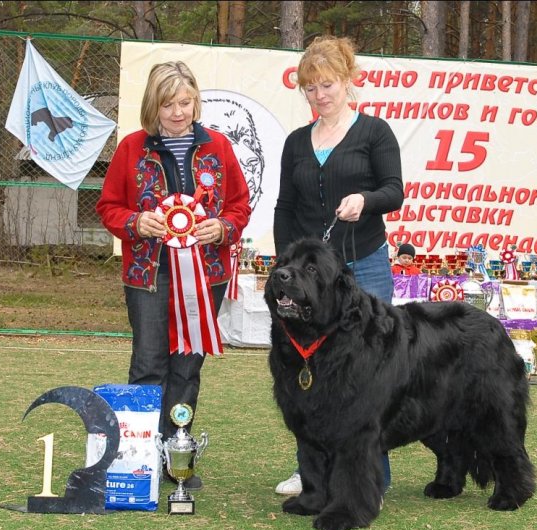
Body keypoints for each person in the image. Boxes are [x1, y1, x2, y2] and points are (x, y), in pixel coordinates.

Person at [96, 61, 251, 490]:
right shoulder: (130, 149)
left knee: (188, 365)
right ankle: (139, 457)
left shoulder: (218, 147)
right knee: (148, 363)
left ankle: (175, 455)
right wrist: (135, 223)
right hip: (147, 275)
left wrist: (222, 228)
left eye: (185, 102)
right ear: (153, 105)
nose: (179, 112)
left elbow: (240, 204)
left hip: (208, 276)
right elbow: (108, 206)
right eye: (168, 104)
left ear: (196, 101)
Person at [273, 36, 404, 497]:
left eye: (327, 85)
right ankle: (310, 472)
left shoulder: (374, 132)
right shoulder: (295, 143)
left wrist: (365, 200)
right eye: (310, 88)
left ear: (348, 82)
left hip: (364, 266)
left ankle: (372, 474)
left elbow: (394, 190)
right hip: (311, 283)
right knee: (303, 373)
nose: (319, 95)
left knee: (367, 377)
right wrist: (285, 266)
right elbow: (285, 207)